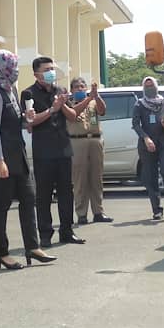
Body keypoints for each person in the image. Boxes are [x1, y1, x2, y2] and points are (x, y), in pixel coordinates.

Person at [0, 50, 56, 270]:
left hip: (18, 153)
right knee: (1, 205)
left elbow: (15, 122)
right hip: (1, 156)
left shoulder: (10, 89)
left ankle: (33, 247)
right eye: (12, 66)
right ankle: (1, 253)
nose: (15, 70)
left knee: (28, 198)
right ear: (2, 68)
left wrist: (27, 119)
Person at [21, 57, 85, 248]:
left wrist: (63, 104)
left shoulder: (60, 90)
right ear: (36, 74)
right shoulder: (28, 93)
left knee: (67, 192)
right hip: (44, 151)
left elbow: (72, 116)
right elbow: (30, 122)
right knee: (44, 195)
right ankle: (45, 234)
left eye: (52, 69)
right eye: (47, 69)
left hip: (63, 149)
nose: (51, 72)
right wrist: (52, 109)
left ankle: (67, 230)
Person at [132, 77, 164, 220]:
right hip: (147, 145)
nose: (149, 88)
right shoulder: (139, 104)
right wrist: (146, 138)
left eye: (151, 85)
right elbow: (135, 124)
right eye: (146, 86)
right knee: (151, 177)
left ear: (156, 86)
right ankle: (157, 210)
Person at [66, 78, 112, 225]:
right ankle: (81, 214)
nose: (80, 89)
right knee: (80, 179)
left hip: (95, 140)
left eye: (82, 86)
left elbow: (102, 111)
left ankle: (98, 212)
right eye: (76, 87)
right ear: (71, 90)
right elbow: (72, 114)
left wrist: (96, 96)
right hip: (77, 141)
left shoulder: (93, 101)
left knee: (96, 178)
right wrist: (88, 99)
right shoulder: (68, 103)